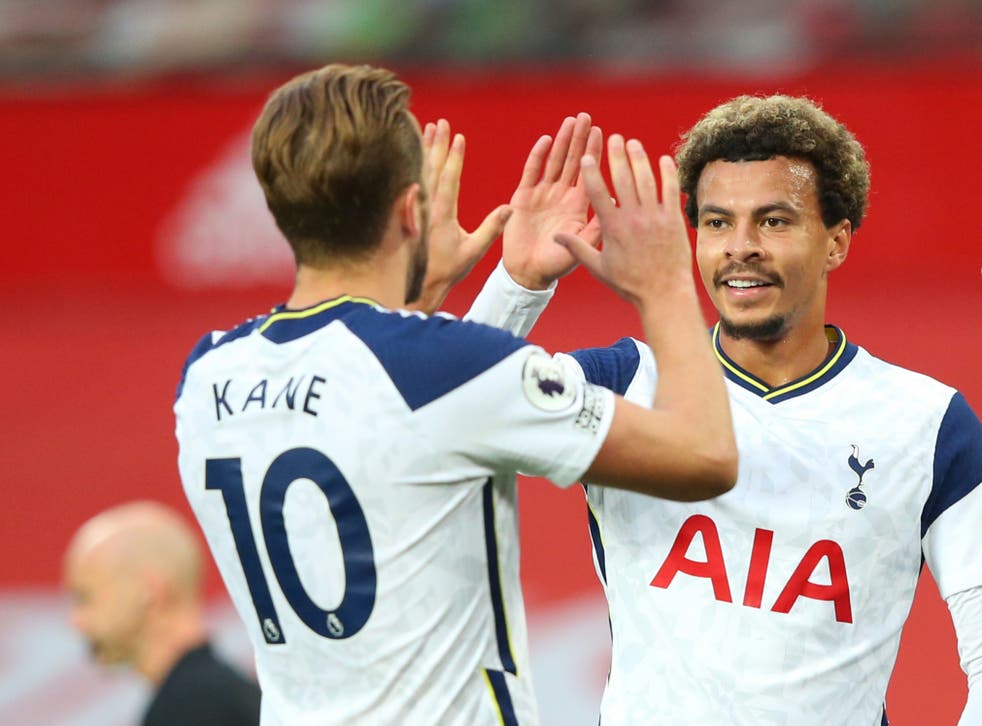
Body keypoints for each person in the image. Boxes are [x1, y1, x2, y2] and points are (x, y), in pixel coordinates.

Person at [173, 63, 737, 725]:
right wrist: (664, 281)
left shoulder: (206, 374)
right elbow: (704, 455)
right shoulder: (436, 368)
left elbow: (397, 425)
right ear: (410, 211)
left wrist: (494, 287)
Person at [466, 93, 982, 725]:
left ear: (836, 242)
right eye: (716, 223)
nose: (741, 246)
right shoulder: (626, 383)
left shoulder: (928, 425)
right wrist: (519, 283)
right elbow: (456, 423)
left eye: (774, 221)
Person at [63, 500, 261, 726]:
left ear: (149, 592)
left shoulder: (190, 710)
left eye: (86, 597)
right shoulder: (222, 696)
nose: (75, 621)